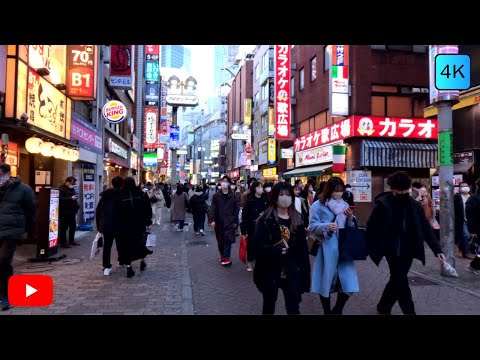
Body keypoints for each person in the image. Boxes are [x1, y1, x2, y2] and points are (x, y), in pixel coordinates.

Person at [366, 171, 445, 315]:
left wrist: (437, 249)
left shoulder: (414, 205)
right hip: (392, 250)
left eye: (404, 189)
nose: (402, 192)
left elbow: (425, 228)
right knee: (401, 280)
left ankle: (383, 307)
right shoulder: (383, 204)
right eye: (399, 189)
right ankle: (409, 311)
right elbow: (372, 227)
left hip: (409, 249)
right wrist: (370, 247)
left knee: (396, 279)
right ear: (392, 188)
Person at [251, 182, 310, 314]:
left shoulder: (297, 219)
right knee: (269, 304)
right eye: (281, 194)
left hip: (292, 269)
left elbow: (303, 249)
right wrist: (274, 250)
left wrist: (305, 272)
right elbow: (257, 246)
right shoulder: (265, 219)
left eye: (288, 195)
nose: (285, 198)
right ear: (275, 197)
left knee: (293, 307)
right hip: (270, 268)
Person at [309, 177, 359, 315]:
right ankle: (327, 311)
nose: (338, 194)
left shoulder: (345, 205)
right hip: (327, 248)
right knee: (325, 282)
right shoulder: (318, 205)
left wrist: (350, 219)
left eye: (341, 191)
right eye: (336, 191)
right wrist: (327, 226)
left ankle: (337, 310)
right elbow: (312, 226)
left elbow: (352, 228)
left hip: (344, 249)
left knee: (349, 283)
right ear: (329, 190)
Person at [0, 163, 36, 311]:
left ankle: (5, 295)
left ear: (7, 174)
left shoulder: (24, 189)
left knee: (3, 260)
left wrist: (24, 230)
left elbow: (30, 210)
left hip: (11, 231)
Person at [116, 177, 153, 277]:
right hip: (139, 224)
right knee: (140, 242)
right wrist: (148, 220)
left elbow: (116, 212)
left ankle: (129, 267)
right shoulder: (141, 194)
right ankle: (142, 261)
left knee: (127, 245)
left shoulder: (120, 195)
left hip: (125, 225)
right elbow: (147, 208)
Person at [208, 175, 239, 266]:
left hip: (229, 221)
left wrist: (235, 221)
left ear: (229, 184)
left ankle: (226, 257)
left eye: (226, 181)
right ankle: (222, 254)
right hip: (219, 221)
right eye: (223, 181)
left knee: (228, 239)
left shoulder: (233, 196)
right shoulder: (216, 196)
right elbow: (212, 208)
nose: (224, 183)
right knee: (220, 240)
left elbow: (236, 209)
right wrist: (212, 220)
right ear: (221, 183)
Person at [95, 176, 123, 276]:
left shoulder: (105, 196)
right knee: (121, 243)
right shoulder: (122, 195)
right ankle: (121, 260)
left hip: (106, 225)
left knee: (107, 246)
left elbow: (98, 212)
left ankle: (106, 267)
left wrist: (99, 226)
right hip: (120, 225)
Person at [241, 181, 268, 272]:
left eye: (261, 186)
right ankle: (250, 261)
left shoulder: (265, 200)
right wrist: (243, 230)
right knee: (251, 245)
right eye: (258, 187)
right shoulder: (250, 201)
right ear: (254, 189)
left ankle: (260, 261)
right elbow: (244, 216)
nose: (261, 188)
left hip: (264, 227)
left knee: (263, 244)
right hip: (252, 227)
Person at [58, 176, 80, 248]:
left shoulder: (72, 188)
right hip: (64, 212)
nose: (73, 184)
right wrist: (70, 198)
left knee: (72, 226)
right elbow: (60, 199)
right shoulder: (62, 189)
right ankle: (63, 243)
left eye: (74, 183)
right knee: (64, 227)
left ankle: (71, 241)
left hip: (72, 211)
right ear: (67, 182)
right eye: (72, 183)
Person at [454, 181, 474, 259]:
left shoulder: (471, 196)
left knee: (468, 236)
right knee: (466, 235)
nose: (465, 187)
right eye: (463, 186)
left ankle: (460, 249)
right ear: (459, 188)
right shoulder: (457, 197)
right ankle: (466, 252)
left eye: (466, 185)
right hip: (462, 220)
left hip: (471, 220)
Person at [466, 177, 480, 273]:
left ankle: (474, 265)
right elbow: (470, 215)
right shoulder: (474, 198)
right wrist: (472, 230)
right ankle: (474, 266)